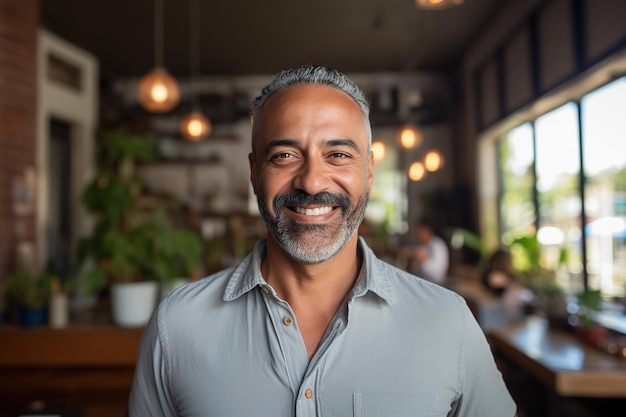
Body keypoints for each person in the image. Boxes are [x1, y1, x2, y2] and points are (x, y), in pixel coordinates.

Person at [128, 65, 517, 417]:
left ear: (368, 172)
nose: (312, 181)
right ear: (254, 173)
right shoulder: (177, 326)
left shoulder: (447, 321)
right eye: (284, 155)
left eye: (337, 154)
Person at [482, 249, 534, 322]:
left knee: (525, 295)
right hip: (500, 308)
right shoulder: (493, 275)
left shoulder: (507, 276)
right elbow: (496, 282)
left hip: (506, 306)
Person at [398, 217, 450, 285]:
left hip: (435, 286)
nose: (417, 235)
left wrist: (423, 260)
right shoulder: (423, 245)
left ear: (427, 230)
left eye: (419, 232)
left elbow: (436, 276)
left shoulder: (438, 245)